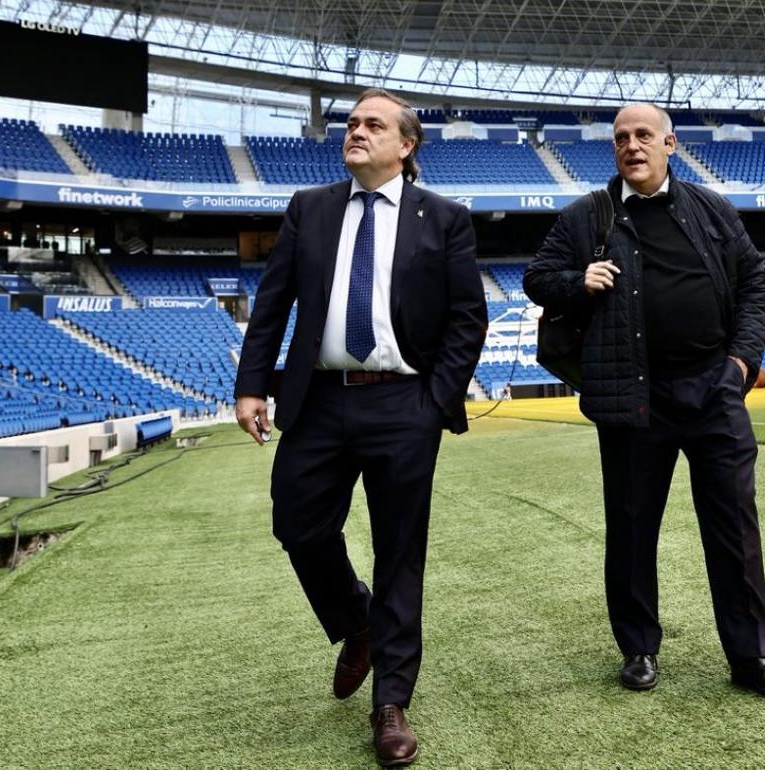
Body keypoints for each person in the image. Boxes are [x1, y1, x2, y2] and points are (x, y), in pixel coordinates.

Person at [234, 88, 487, 766]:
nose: (355, 132)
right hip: (317, 398)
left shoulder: (447, 219)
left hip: (404, 403)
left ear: (406, 145)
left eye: (372, 124)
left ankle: (391, 702)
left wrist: (436, 400)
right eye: (350, 123)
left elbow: (468, 319)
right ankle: (358, 622)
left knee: (400, 551)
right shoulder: (310, 209)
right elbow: (273, 302)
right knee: (297, 521)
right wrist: (252, 384)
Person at [523, 104, 765, 696]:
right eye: (621, 138)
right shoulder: (586, 215)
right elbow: (536, 277)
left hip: (714, 389)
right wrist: (579, 281)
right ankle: (639, 649)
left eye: (643, 135)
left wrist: (741, 363)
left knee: (733, 527)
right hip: (632, 395)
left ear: (670, 143)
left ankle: (752, 657)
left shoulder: (712, 208)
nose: (632, 145)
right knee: (630, 527)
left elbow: (753, 284)